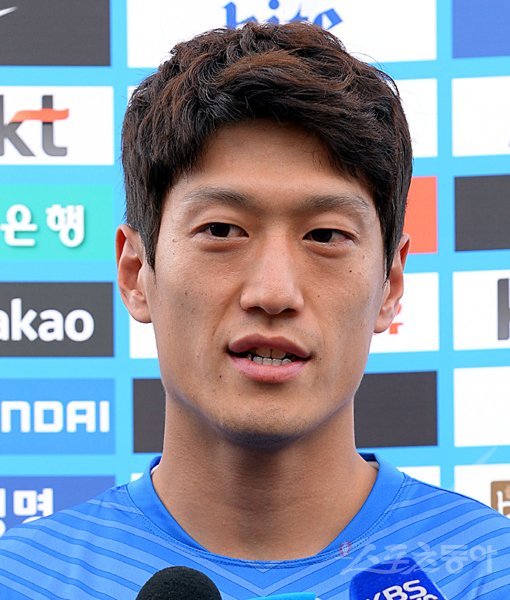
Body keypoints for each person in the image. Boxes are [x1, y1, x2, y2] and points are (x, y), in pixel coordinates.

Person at [0, 22, 509, 600]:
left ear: (390, 284)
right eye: (222, 230)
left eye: (325, 235)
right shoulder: (23, 580)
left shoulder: (490, 573)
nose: (273, 292)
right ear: (136, 272)